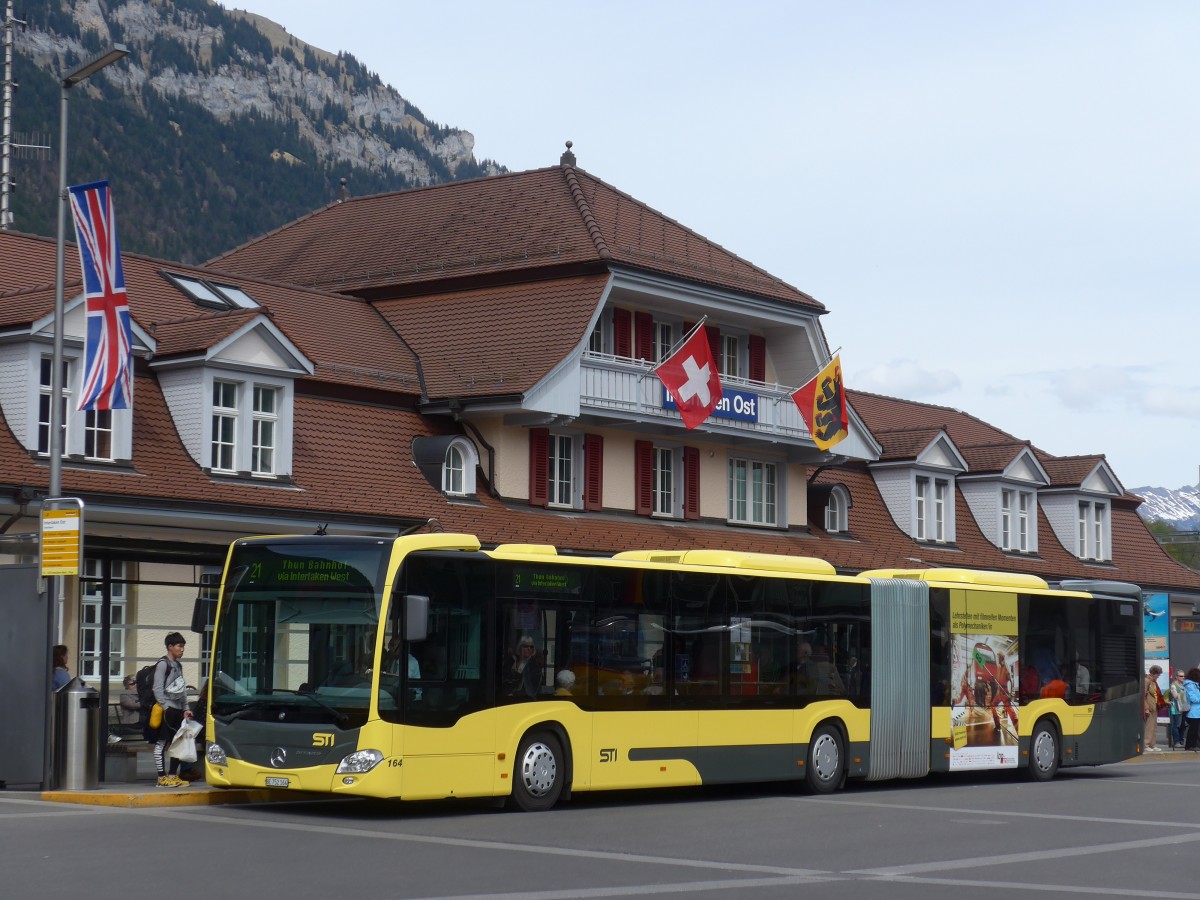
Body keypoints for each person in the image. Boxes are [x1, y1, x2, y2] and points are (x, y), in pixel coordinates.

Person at [152, 632, 194, 787]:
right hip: (167, 710)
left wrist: (186, 708)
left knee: (177, 743)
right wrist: (165, 707)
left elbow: (181, 689)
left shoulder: (178, 665)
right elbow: (157, 688)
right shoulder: (163, 664)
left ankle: (172, 775)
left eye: (183, 647)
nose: (182, 650)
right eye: (179, 646)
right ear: (170, 647)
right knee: (162, 743)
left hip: (177, 710)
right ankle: (161, 777)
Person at [1144, 665, 1165, 751]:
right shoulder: (1147, 681)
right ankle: (1146, 744)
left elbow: (1156, 695)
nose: (1158, 677)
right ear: (1154, 674)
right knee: (1149, 727)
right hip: (1149, 707)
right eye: (1158, 675)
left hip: (1154, 707)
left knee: (1154, 727)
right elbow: (1144, 696)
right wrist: (1146, 708)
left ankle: (1152, 744)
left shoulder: (1153, 682)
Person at [1168, 670, 1189, 750]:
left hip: (1184, 708)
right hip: (1177, 708)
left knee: (1183, 725)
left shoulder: (1183, 685)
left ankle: (1181, 741)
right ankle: (1176, 742)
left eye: (1183, 676)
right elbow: (1175, 696)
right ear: (1176, 677)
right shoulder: (1173, 685)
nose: (1183, 677)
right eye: (1181, 676)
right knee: (1177, 725)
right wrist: (1183, 693)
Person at [1184, 668, 1200, 752]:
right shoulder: (1190, 685)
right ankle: (1189, 745)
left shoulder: (1195, 685)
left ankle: (1194, 744)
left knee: (1196, 729)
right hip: (1193, 711)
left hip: (1196, 711)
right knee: (1193, 730)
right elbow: (1193, 698)